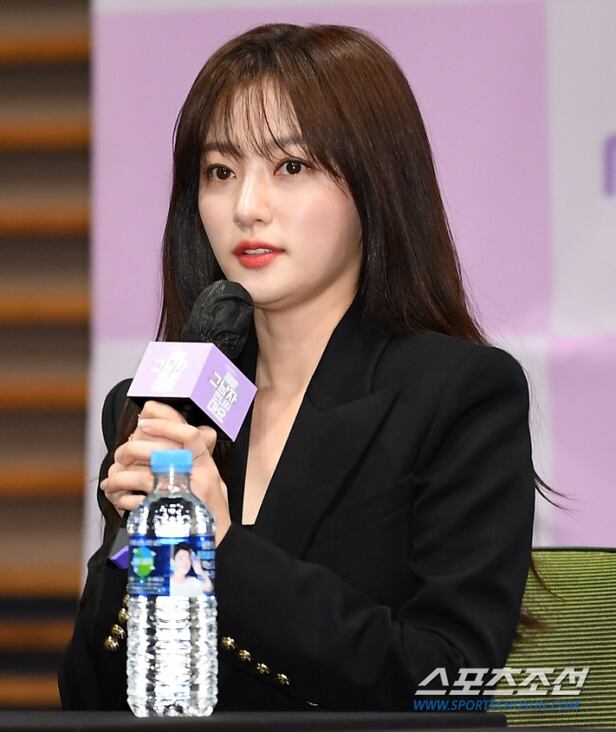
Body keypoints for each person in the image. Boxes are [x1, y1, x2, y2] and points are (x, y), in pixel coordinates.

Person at [59, 23, 537, 712]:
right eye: (220, 172)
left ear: (374, 185)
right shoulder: (161, 403)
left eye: (291, 167)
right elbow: (92, 696)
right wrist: (134, 551)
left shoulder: (459, 397)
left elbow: (447, 681)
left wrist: (221, 549)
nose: (246, 208)